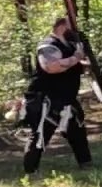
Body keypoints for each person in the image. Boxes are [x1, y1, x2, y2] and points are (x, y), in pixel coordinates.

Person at [22, 17, 93, 174]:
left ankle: (86, 165)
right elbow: (51, 66)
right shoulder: (47, 45)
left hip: (67, 98)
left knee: (77, 130)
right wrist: (76, 58)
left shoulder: (69, 45)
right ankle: (30, 172)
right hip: (46, 99)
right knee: (41, 135)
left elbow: (72, 64)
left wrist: (83, 63)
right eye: (70, 26)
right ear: (61, 27)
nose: (74, 30)